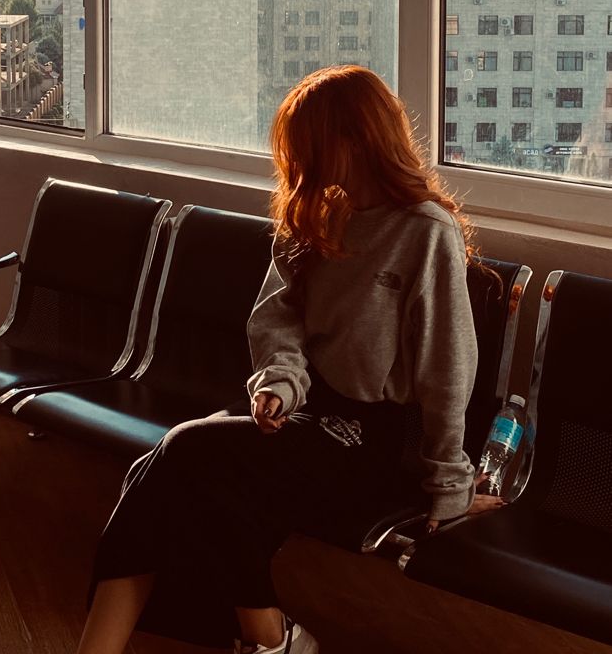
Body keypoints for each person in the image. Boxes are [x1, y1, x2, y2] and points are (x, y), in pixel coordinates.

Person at [76, 65, 505, 654]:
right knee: (171, 476)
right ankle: (265, 638)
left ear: (355, 139)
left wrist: (450, 486)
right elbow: (277, 316)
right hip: (299, 413)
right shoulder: (319, 215)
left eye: (310, 143)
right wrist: (279, 382)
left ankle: (261, 633)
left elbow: (447, 367)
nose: (300, 160)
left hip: (359, 436)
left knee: (181, 453)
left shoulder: (425, 231)